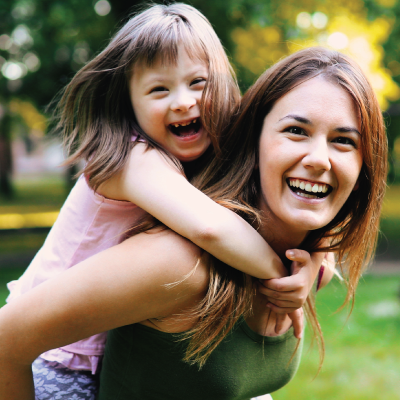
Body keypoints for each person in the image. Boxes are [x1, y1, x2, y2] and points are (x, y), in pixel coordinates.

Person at [0, 47, 386, 399]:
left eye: (343, 141)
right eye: (295, 131)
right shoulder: (180, 264)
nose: (319, 159)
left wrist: (312, 260)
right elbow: (6, 340)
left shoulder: (303, 262)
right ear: (254, 138)